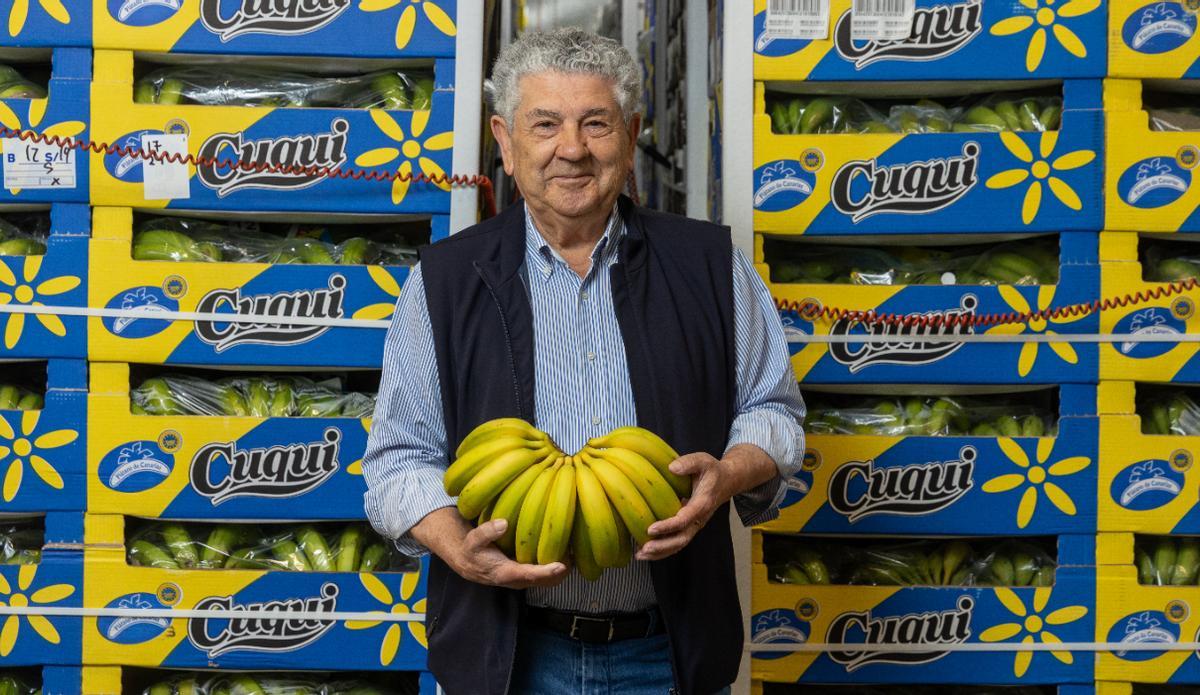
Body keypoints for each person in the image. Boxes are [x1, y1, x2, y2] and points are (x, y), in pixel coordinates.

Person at [362, 27, 805, 695]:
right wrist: (458, 548)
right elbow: (398, 460)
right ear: (505, 141)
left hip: (668, 653)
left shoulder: (711, 265)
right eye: (545, 124)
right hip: (507, 657)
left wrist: (727, 475)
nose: (571, 148)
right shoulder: (445, 282)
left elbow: (773, 410)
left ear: (630, 136)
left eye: (595, 123)